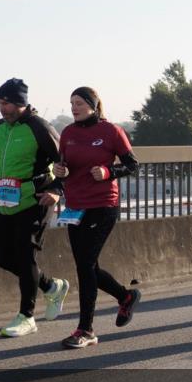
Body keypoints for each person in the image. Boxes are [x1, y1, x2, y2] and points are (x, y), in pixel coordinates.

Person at [52, 87, 141, 348]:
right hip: (75, 207)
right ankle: (125, 296)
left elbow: (133, 165)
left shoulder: (111, 131)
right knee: (87, 265)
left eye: (79, 103)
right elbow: (63, 167)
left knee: (85, 265)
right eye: (71, 103)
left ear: (92, 104)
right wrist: (60, 171)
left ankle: (86, 330)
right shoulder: (67, 133)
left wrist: (108, 172)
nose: (74, 108)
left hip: (103, 205)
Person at [0, 78, 70, 336]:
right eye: (0, 103)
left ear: (21, 103)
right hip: (6, 200)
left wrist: (57, 191)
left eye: (7, 103)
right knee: (3, 257)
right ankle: (51, 287)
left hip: (35, 199)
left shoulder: (39, 127)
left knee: (25, 255)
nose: (2, 108)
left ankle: (27, 316)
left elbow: (66, 162)